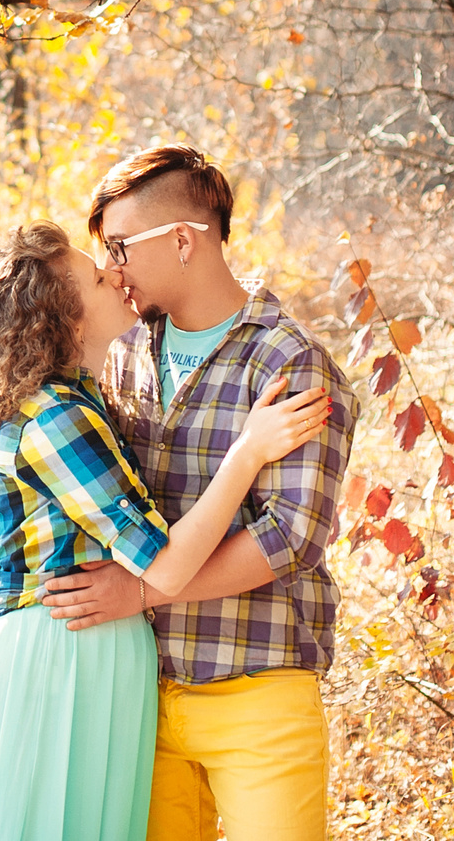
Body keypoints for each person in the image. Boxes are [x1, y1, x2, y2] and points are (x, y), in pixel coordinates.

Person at [0, 221, 334, 841]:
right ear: (67, 321)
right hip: (58, 662)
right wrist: (249, 452)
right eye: (101, 277)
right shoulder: (60, 413)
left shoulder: (85, 397)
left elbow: (43, 520)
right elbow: (166, 567)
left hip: (88, 661)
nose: (117, 275)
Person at [38, 145, 357, 841]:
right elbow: (63, 480)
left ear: (184, 239)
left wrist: (141, 591)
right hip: (134, 697)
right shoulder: (118, 350)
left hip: (256, 690)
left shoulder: (288, 360)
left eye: (119, 247)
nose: (110, 269)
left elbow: (289, 536)